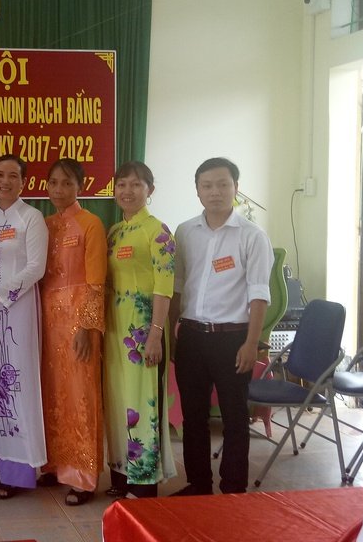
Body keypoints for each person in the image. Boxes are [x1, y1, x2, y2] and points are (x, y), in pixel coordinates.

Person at [168, 157, 273, 495]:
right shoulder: (185, 231)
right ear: (197, 190)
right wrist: (173, 332)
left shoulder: (253, 236)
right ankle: (198, 485)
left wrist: (252, 343)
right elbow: (177, 286)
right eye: (207, 185)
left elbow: (259, 294)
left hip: (233, 339)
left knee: (234, 417)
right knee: (194, 417)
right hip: (191, 337)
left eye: (223, 184)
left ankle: (233, 490)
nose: (215, 192)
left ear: (236, 188)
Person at [0, 154, 49, 500]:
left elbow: (36, 268)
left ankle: (20, 470)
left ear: (23, 182)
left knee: (17, 382)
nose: (5, 181)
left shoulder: (32, 218)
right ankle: (2, 465)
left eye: (13, 176)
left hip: (17, 309)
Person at [103, 161, 177, 499]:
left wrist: (156, 334)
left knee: (142, 402)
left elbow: (164, 286)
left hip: (143, 329)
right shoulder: (115, 232)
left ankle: (144, 482)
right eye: (122, 184)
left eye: (136, 184)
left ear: (150, 190)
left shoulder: (158, 231)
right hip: (115, 327)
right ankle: (121, 473)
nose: (127, 191)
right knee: (119, 399)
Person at [38, 158, 107, 506]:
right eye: (53, 183)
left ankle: (82, 475)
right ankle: (54, 464)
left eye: (67, 183)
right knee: (52, 392)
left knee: (81, 394)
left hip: (78, 321)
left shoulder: (91, 224)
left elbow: (96, 282)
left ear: (80, 186)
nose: (59, 189)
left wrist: (87, 326)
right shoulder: (44, 225)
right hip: (47, 321)